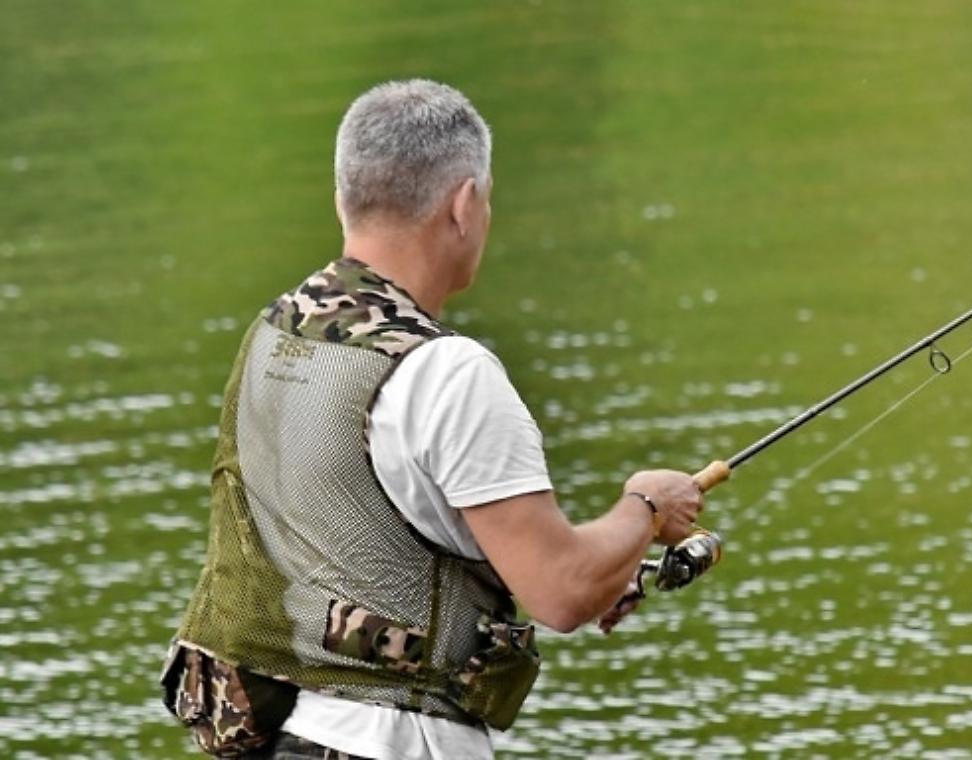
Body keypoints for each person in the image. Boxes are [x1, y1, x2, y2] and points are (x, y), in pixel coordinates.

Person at [161, 79, 703, 760]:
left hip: (281, 735)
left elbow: (361, 526)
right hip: (396, 743)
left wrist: (604, 560)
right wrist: (646, 505)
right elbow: (562, 592)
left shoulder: (277, 334)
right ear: (464, 205)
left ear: (343, 197)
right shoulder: (450, 374)